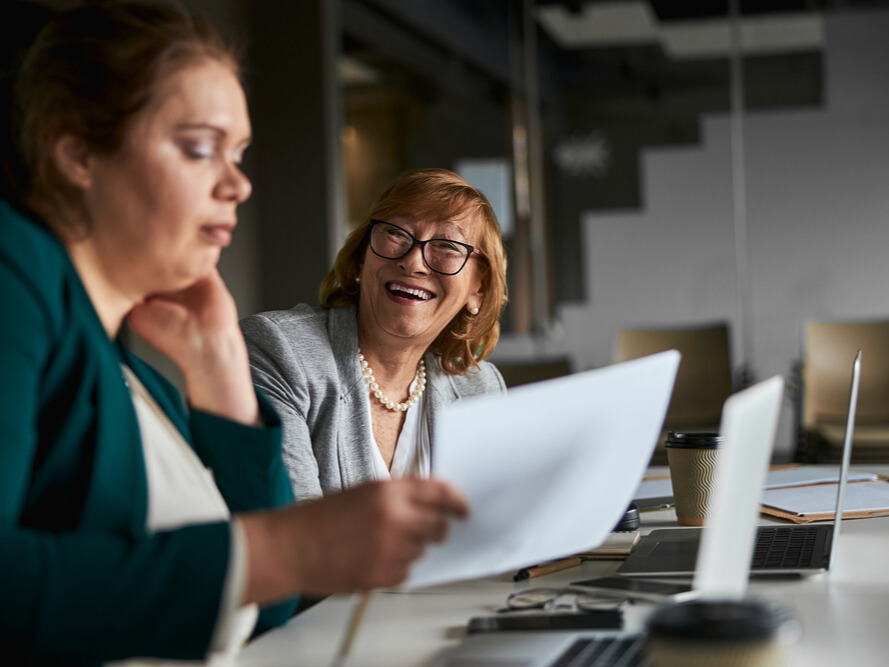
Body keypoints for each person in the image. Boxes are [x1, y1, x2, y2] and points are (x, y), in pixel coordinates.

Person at [0, 4, 467, 664]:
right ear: (76, 150)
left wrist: (221, 378)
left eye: (240, 153)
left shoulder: (132, 375)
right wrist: (289, 547)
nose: (238, 184)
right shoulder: (15, 265)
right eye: (198, 148)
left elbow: (266, 604)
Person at [241, 168, 509, 500]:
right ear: (362, 253)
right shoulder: (279, 350)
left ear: (478, 288)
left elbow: (494, 528)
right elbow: (293, 531)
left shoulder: (479, 389)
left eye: (447, 246)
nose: (414, 263)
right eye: (397, 233)